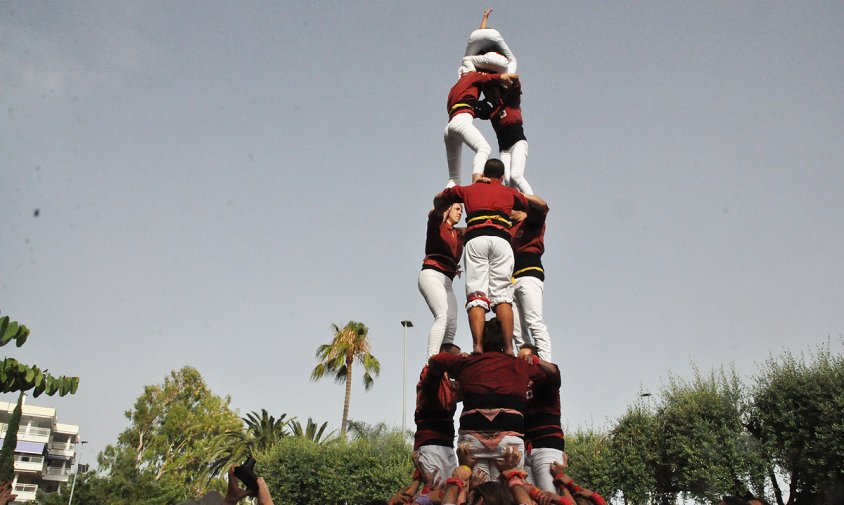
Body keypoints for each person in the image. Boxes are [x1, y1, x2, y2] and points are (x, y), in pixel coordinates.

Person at [429, 318, 551, 480]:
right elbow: (552, 373)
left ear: (478, 338)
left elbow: (435, 360)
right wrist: (533, 360)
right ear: (506, 339)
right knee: (509, 492)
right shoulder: (519, 365)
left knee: (479, 493)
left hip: (472, 442)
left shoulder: (466, 363)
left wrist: (461, 359)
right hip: (509, 442)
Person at [434, 159, 528, 355]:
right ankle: (510, 348)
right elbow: (526, 208)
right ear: (502, 178)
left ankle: (478, 345)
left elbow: (440, 196)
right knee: (502, 295)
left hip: (476, 239)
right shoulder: (508, 191)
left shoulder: (468, 190)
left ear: (484, 174)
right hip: (501, 241)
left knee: (477, 293)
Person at [444, 71, 518, 188]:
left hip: (449, 127)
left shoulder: (456, 89)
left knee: (454, 178)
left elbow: (480, 109)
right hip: (461, 120)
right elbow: (498, 77)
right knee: (484, 148)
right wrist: (502, 77)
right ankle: (476, 182)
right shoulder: (472, 75)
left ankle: (444, 204)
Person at [419, 202, 465, 358]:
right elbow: (435, 213)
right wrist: (449, 197)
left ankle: (445, 360)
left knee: (452, 322)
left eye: (462, 210)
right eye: (457, 209)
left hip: (447, 281)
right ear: (449, 209)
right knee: (442, 316)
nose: (460, 213)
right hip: (432, 274)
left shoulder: (458, 234)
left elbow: (476, 229)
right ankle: (431, 360)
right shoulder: (437, 225)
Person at [413, 343, 462, 487]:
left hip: (447, 444)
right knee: (436, 490)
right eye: (455, 358)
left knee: (452, 489)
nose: (457, 362)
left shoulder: (450, 385)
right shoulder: (430, 377)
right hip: (430, 444)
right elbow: (437, 363)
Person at [510, 194, 551, 361]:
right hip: (510, 280)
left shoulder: (531, 221)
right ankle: (524, 365)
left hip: (529, 274)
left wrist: (519, 195)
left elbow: (543, 206)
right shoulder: (509, 228)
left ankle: (546, 363)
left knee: (534, 321)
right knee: (516, 330)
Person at [518, 345, 564, 493]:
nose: (522, 361)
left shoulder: (544, 380)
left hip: (547, 446)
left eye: (525, 358)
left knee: (550, 495)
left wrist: (537, 362)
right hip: (526, 450)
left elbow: (554, 373)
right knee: (530, 498)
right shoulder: (517, 385)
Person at [476, 77, 533, 195]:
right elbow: (474, 110)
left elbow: (516, 84)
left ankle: (534, 204)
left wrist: (504, 77)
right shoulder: (491, 112)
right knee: (507, 181)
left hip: (518, 143)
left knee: (516, 175)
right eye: (488, 94)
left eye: (493, 92)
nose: (491, 95)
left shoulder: (510, 101)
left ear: (500, 90)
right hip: (504, 150)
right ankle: (514, 209)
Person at [459, 9, 518, 76]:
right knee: (513, 60)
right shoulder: (497, 50)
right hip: (493, 35)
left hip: (477, 34)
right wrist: (485, 18)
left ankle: (471, 75)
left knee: (466, 60)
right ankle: (509, 76)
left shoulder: (481, 51)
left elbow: (481, 33)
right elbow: (484, 33)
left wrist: (485, 17)